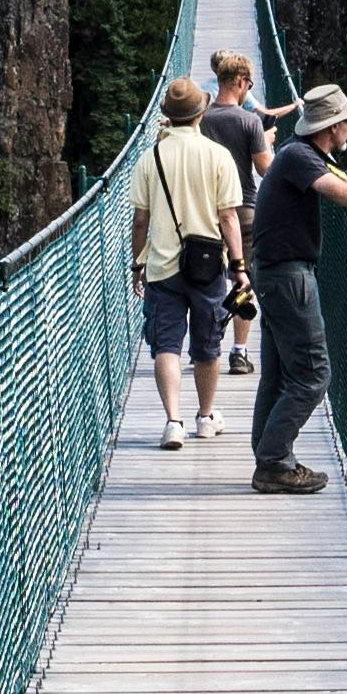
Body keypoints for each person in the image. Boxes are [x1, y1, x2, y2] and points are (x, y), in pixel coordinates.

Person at [237, 79, 347, 498]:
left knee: (280, 373)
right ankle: (275, 462)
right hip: (288, 277)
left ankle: (269, 456)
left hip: (278, 273)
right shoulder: (299, 156)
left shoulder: (306, 155)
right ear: (330, 126)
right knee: (315, 375)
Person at [124, 75, 244, 448]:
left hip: (162, 267)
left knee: (166, 346)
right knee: (207, 345)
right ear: (200, 113)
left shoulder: (150, 158)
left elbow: (140, 219)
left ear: (168, 117)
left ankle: (172, 422)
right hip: (208, 266)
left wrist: (137, 264)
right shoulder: (218, 156)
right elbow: (228, 217)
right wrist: (239, 266)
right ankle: (206, 418)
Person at [189, 54, 271, 435]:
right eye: (249, 84)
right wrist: (268, 142)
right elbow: (264, 169)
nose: (249, 89)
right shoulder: (250, 121)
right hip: (246, 211)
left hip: (206, 214)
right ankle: (238, 353)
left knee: (210, 282)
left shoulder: (201, 119)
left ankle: (208, 345)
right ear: (239, 81)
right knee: (243, 281)